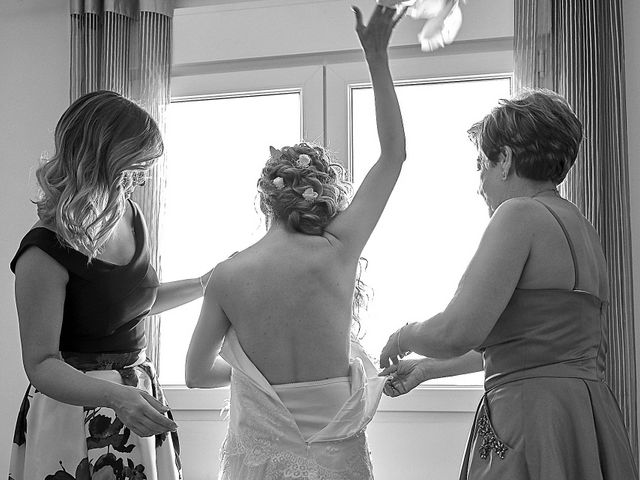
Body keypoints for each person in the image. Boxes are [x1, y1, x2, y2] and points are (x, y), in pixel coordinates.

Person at [185, 5, 406, 479]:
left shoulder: (228, 276)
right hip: (336, 453)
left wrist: (259, 383)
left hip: (261, 456)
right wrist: (376, 53)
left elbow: (196, 374)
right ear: (325, 194)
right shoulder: (339, 249)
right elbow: (394, 155)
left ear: (264, 198)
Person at [379, 89, 639, 479]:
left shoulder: (519, 214)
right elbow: (527, 346)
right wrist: (427, 369)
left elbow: (456, 331)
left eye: (482, 164)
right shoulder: (582, 227)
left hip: (532, 420)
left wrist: (404, 336)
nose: (480, 183)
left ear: (505, 160)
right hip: (583, 417)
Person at [9, 90, 212, 480]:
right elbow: (40, 364)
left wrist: (206, 283)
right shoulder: (43, 251)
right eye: (136, 164)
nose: (145, 175)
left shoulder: (130, 213)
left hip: (135, 394)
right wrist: (116, 396)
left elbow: (131, 305)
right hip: (72, 411)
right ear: (103, 157)